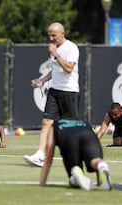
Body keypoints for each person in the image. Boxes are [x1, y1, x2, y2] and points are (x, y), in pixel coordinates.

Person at [24, 22, 80, 167]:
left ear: (62, 33)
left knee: (70, 127)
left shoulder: (71, 48)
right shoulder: (54, 49)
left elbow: (68, 68)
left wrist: (56, 55)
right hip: (54, 91)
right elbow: (55, 70)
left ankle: (76, 155)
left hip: (69, 92)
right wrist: (42, 80)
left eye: (54, 35)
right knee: (46, 122)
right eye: (49, 35)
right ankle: (40, 155)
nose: (51, 38)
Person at [40, 119, 112, 191]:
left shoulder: (55, 125)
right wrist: (99, 182)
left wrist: (42, 182)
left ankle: (77, 174)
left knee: (73, 174)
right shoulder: (83, 122)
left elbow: (49, 156)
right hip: (88, 133)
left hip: (69, 137)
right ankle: (102, 166)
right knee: (96, 161)